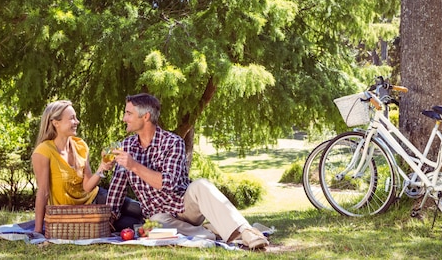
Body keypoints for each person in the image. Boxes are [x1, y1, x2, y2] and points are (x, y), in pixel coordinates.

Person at [106, 93, 269, 249]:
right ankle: (211, 232)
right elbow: (117, 188)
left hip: (184, 206)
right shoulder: (126, 146)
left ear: (146, 116)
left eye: (128, 113)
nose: (124, 118)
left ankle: (247, 232)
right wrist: (108, 219)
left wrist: (134, 165)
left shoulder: (172, 142)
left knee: (201, 185)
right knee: (154, 223)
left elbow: (168, 184)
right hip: (162, 218)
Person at [31, 100, 143, 234]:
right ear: (56, 123)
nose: (77, 121)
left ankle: (171, 217)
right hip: (78, 213)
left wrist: (102, 167)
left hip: (97, 197)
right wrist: (38, 230)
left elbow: (87, 186)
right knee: (136, 223)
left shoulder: (80, 146)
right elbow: (43, 192)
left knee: (140, 210)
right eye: (72, 118)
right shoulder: (43, 151)